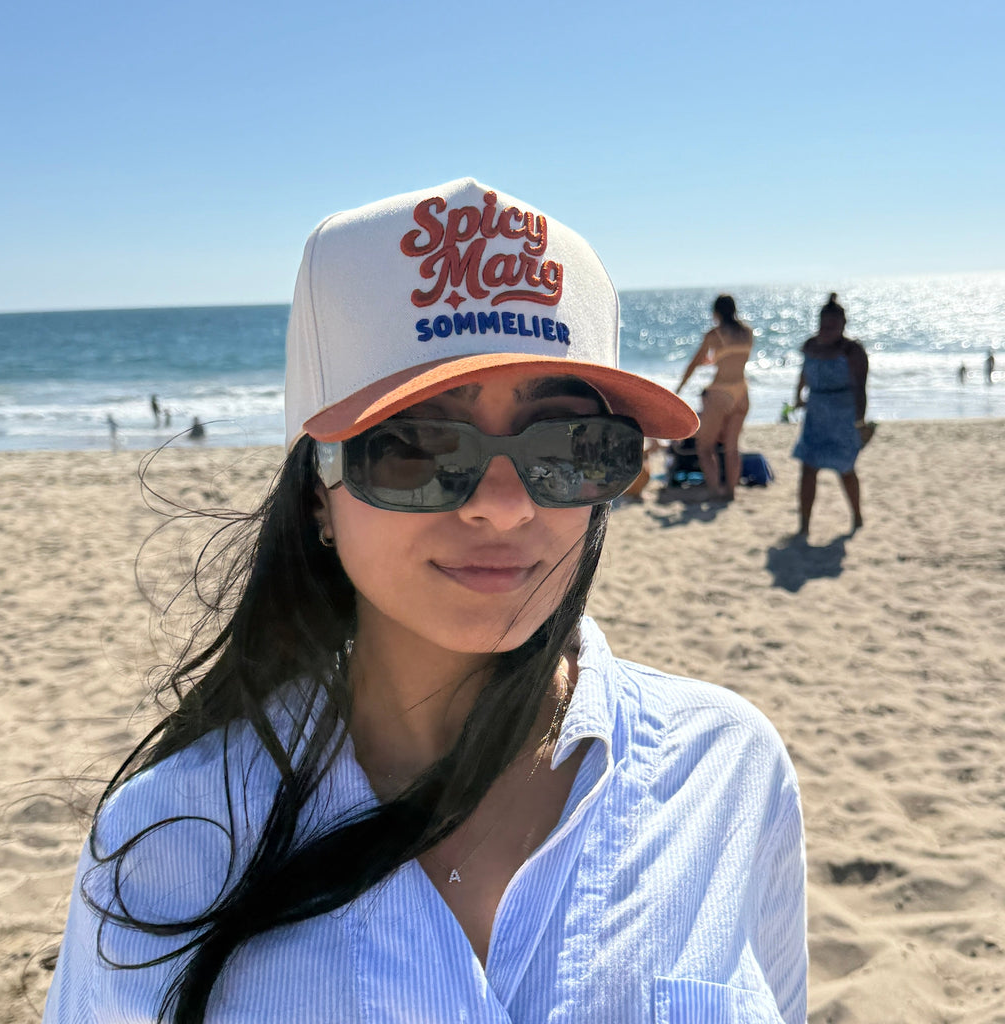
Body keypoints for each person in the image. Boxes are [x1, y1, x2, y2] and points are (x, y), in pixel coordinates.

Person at [43, 179, 807, 1024]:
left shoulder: (725, 772)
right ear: (316, 495)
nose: (505, 504)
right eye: (415, 447)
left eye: (570, 445)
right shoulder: (165, 839)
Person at [792, 293, 868, 537]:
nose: (827, 329)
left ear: (843, 325)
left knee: (845, 469)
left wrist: (860, 421)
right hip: (815, 414)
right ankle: (804, 525)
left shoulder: (852, 350)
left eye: (832, 325)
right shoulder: (811, 345)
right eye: (824, 324)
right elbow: (803, 373)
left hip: (843, 415)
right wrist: (797, 396)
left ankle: (857, 516)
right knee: (808, 470)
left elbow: (861, 387)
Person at [675, 294, 754, 500]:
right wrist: (714, 359)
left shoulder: (714, 334)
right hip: (742, 392)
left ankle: (715, 490)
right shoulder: (747, 332)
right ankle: (731, 491)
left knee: (705, 446)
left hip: (721, 392)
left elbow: (693, 363)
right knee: (732, 447)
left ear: (716, 313)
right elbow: (734, 358)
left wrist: (680, 388)